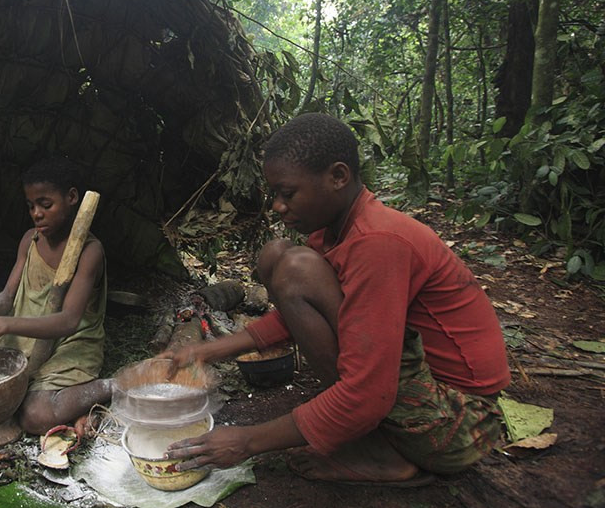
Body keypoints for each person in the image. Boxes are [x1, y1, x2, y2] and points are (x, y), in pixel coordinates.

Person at [162, 113, 510, 486]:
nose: (278, 206)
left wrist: (247, 441)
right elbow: (297, 314)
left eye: (288, 193)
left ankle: (380, 451)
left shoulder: (378, 243)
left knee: (294, 266)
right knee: (277, 255)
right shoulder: (340, 231)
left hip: (456, 424)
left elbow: (369, 393)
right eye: (274, 195)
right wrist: (206, 352)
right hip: (427, 403)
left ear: (338, 177)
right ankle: (373, 436)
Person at [0, 156, 111, 436]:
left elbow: (68, 322)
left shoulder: (91, 252)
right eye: (31, 206)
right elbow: (6, 297)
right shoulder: (30, 240)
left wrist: (2, 324)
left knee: (35, 416)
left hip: (71, 342)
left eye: (45, 204)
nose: (37, 213)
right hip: (27, 335)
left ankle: (112, 386)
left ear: (72, 197)